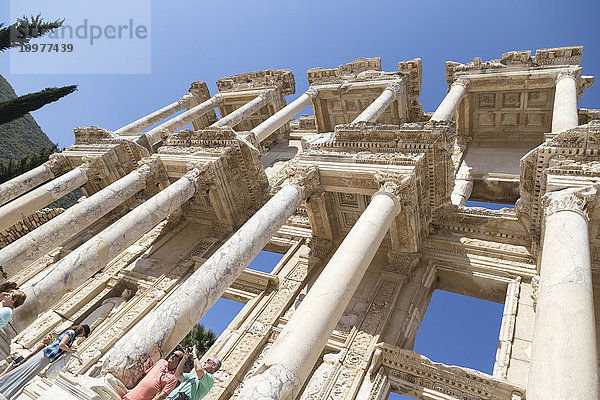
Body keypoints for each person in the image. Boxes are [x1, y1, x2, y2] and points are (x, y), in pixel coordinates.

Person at [0, 324, 90, 399]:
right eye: (83, 334)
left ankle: (6, 390)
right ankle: (3, 386)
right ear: (82, 331)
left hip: (47, 357)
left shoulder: (73, 335)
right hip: (46, 355)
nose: (82, 336)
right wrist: (72, 351)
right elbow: (61, 345)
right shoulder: (71, 332)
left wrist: (75, 356)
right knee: (25, 371)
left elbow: (63, 350)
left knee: (28, 374)